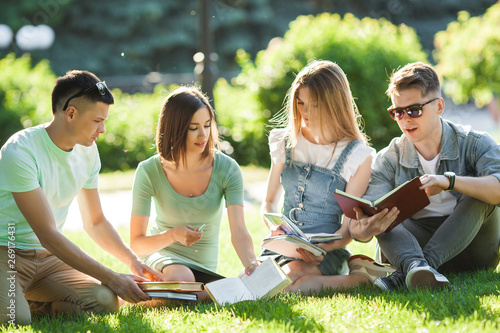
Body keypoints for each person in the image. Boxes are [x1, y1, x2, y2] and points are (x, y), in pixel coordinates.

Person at [0, 70, 161, 325]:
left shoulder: (87, 153)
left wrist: (133, 261)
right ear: (71, 113)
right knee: (15, 320)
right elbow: (49, 235)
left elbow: (95, 221)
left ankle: (34, 302)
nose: (103, 129)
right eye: (98, 120)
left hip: (47, 260)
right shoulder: (20, 152)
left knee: (104, 301)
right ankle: (22, 305)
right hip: (6, 254)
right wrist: (111, 277)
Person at [355, 62, 500, 291]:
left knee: (480, 195)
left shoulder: (475, 143)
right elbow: (361, 225)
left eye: (414, 110)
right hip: (412, 244)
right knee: (383, 213)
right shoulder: (388, 158)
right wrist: (366, 228)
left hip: (474, 250)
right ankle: (416, 267)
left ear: (439, 106)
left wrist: (449, 181)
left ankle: (416, 270)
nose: (405, 119)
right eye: (397, 112)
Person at [259, 60, 396, 294]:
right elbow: (269, 202)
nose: (304, 112)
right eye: (300, 103)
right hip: (282, 248)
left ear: (334, 105)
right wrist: (276, 229)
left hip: (327, 254)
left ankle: (360, 280)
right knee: (250, 283)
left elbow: (347, 229)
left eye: (314, 105)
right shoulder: (285, 140)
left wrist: (322, 248)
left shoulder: (357, 155)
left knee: (285, 286)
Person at [129, 86, 258, 303]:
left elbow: (239, 231)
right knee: (182, 278)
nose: (203, 135)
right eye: (193, 128)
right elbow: (137, 243)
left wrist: (251, 263)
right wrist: (172, 235)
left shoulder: (227, 168)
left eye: (207, 125)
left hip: (204, 268)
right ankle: (221, 292)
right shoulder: (149, 170)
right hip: (163, 256)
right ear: (175, 128)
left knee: (186, 286)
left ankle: (187, 293)